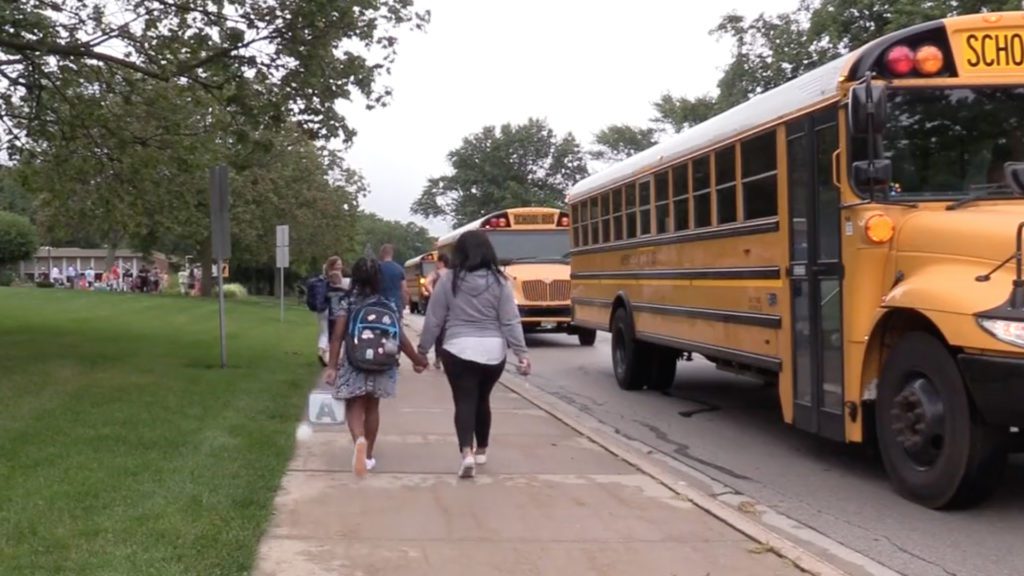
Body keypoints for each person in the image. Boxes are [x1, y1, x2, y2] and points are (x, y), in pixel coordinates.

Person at [417, 230, 531, 479]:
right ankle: (482, 450)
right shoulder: (500, 281)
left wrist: (422, 351)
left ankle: (466, 452)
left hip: (458, 349)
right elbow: (510, 320)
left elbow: (434, 319)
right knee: (483, 399)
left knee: (464, 400)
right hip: (493, 351)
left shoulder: (449, 280)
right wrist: (521, 353)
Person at [323, 257, 428, 477]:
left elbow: (337, 337)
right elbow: (401, 339)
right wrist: (418, 361)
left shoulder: (348, 302)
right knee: (373, 407)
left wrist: (332, 366)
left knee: (354, 406)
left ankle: (358, 441)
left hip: (354, 361)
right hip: (383, 363)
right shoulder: (387, 304)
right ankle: (368, 455)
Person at [317, 256, 346, 366]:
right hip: (336, 314)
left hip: (325, 311)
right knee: (338, 336)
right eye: (338, 264)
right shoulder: (337, 279)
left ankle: (322, 352)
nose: (340, 266)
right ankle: (336, 359)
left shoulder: (325, 280)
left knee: (325, 333)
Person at [423, 253, 450, 369]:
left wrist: (432, 293)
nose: (436, 264)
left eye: (437, 262)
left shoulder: (436, 273)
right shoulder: (452, 274)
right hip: (450, 306)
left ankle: (438, 359)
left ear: (441, 262)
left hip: (438, 306)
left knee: (438, 333)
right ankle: (447, 360)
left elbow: (426, 283)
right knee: (447, 333)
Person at [378, 244, 408, 318]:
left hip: (379, 305)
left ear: (382, 253)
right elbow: (404, 289)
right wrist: (404, 303)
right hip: (395, 304)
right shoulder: (399, 269)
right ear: (392, 254)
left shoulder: (377, 268)